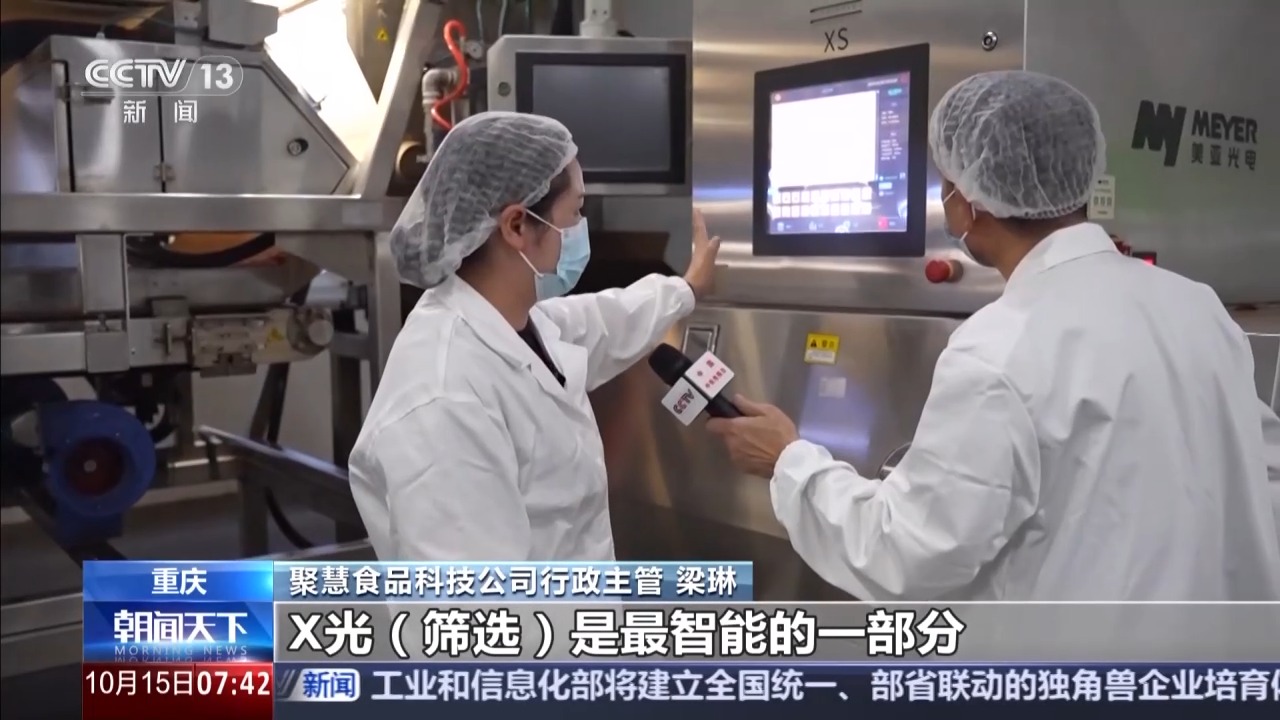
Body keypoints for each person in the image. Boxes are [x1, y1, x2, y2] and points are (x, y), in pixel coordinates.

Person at [706, 71, 1280, 601]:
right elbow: (1264, 472)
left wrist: (788, 461)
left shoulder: (999, 348)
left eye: (946, 183)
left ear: (968, 204)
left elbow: (908, 553)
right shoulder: (1194, 304)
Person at [349, 111, 721, 561]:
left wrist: (686, 289)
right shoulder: (444, 399)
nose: (581, 227)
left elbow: (605, 321)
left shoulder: (520, 323)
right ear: (517, 225)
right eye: (576, 211)